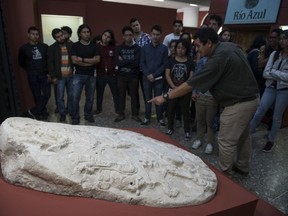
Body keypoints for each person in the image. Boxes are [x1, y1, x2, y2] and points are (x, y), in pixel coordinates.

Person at [149, 28, 259, 176]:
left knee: (226, 139)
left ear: (209, 43)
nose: (197, 48)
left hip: (239, 103)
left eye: (199, 45)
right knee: (243, 135)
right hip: (251, 97)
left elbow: (190, 85)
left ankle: (226, 176)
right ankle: (243, 166)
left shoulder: (217, 59)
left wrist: (165, 97)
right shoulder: (230, 46)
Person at [250, 30, 288, 153]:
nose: (281, 41)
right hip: (270, 87)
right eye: (281, 38)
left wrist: (274, 73)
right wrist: (278, 74)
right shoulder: (275, 54)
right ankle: (246, 135)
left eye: (284, 38)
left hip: (284, 90)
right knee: (259, 112)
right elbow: (266, 73)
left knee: (277, 117)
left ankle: (270, 140)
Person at [18, 26, 51, 120]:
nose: (35, 36)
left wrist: (49, 73)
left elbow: (48, 61)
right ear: (28, 35)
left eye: (37, 34)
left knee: (47, 94)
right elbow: (21, 62)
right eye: (33, 34)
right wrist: (30, 69)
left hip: (44, 74)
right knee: (36, 95)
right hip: (32, 75)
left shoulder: (44, 46)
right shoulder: (23, 48)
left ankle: (33, 111)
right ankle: (42, 112)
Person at [70, 24, 100, 125]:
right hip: (78, 75)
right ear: (79, 34)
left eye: (88, 32)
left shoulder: (94, 46)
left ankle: (88, 115)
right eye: (84, 32)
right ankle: (75, 117)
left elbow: (97, 60)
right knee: (75, 97)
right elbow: (74, 61)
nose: (86, 34)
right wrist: (90, 62)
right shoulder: (75, 46)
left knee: (90, 98)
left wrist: (82, 60)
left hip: (91, 75)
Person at [165, 39, 194, 140]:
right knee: (171, 109)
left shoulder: (190, 62)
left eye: (183, 48)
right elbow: (167, 75)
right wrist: (174, 87)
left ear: (187, 49)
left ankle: (187, 131)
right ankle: (170, 128)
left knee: (185, 111)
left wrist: (182, 88)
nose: (180, 50)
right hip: (173, 89)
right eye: (178, 48)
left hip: (185, 91)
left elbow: (191, 77)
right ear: (175, 49)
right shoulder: (171, 61)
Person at [140, 25, 168, 127]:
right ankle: (147, 118)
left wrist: (154, 75)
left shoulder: (164, 48)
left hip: (159, 79)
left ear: (160, 35)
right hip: (146, 78)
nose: (155, 36)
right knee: (147, 99)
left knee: (158, 99)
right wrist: (148, 74)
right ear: (150, 34)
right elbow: (142, 63)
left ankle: (160, 118)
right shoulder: (144, 48)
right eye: (153, 34)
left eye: (157, 34)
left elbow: (165, 64)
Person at [114, 26, 141, 123]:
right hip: (121, 76)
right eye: (126, 35)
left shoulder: (137, 48)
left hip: (133, 76)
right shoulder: (119, 48)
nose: (128, 37)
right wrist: (129, 61)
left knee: (134, 96)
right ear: (123, 36)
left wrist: (124, 61)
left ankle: (135, 114)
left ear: (133, 36)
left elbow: (136, 63)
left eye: (130, 35)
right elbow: (117, 62)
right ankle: (121, 114)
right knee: (121, 95)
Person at [48, 28, 73, 122]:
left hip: (71, 76)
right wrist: (53, 77)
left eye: (61, 35)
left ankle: (70, 110)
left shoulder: (71, 45)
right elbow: (50, 64)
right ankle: (62, 113)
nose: (61, 38)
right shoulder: (52, 48)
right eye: (58, 37)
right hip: (60, 77)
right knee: (60, 97)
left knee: (71, 95)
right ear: (55, 39)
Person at [94, 29, 120, 115]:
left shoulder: (114, 48)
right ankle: (98, 109)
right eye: (105, 35)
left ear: (111, 39)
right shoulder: (96, 46)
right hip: (100, 74)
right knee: (99, 93)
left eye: (108, 37)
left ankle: (118, 109)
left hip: (112, 74)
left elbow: (117, 60)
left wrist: (115, 70)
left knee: (115, 93)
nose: (106, 38)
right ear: (102, 35)